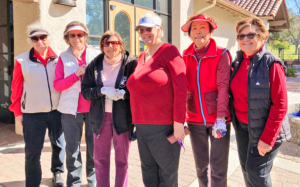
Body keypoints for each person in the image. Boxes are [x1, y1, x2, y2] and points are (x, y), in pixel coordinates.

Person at [127, 13, 187, 187]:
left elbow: (181, 88)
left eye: (149, 29)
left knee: (167, 172)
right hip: (142, 125)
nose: (145, 33)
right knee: (148, 170)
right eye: (141, 30)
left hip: (163, 125)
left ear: (159, 30)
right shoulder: (141, 57)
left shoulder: (169, 51)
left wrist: (178, 122)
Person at [229, 17, 291, 187]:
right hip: (243, 128)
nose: (245, 39)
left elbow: (280, 105)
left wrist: (267, 139)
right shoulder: (238, 61)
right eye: (241, 36)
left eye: (251, 35)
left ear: (263, 38)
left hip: (266, 131)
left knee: (257, 173)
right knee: (247, 170)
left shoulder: (271, 64)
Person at [9, 21, 65, 187]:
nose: (40, 41)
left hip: (57, 111)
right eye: (35, 38)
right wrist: (17, 112)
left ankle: (58, 172)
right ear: (31, 41)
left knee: (59, 145)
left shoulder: (60, 58)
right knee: (33, 151)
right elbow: (16, 88)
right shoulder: (22, 60)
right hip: (32, 113)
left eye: (43, 37)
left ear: (49, 38)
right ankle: (33, 182)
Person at [181, 13, 232, 187]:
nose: (198, 31)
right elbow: (181, 88)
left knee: (218, 169)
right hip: (194, 119)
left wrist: (221, 118)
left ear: (210, 31)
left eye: (203, 27)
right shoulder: (185, 56)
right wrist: (181, 119)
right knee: (201, 167)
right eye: (194, 28)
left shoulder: (222, 54)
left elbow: (224, 87)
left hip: (217, 119)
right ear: (189, 33)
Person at [81, 30, 137, 187]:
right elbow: (85, 91)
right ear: (102, 46)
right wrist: (102, 90)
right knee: (100, 159)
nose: (110, 46)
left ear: (121, 45)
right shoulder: (95, 65)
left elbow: (138, 89)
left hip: (123, 118)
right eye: (106, 43)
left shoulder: (131, 64)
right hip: (100, 118)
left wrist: (125, 94)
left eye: (114, 43)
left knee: (122, 159)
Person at [54, 21, 99, 187]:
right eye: (72, 35)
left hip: (94, 108)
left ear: (85, 36)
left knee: (93, 148)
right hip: (70, 110)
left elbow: (103, 80)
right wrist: (75, 74)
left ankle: (93, 180)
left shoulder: (96, 55)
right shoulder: (63, 57)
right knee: (72, 150)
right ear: (67, 38)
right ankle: (74, 182)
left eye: (80, 34)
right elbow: (58, 85)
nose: (76, 38)